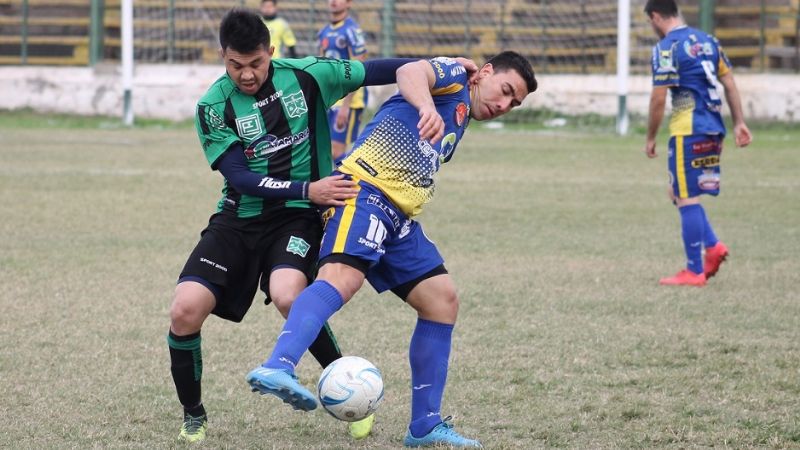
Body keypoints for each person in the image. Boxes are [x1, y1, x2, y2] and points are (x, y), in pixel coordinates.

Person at [168, 8, 442, 443]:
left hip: (297, 217)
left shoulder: (309, 75)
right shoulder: (212, 106)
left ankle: (349, 390)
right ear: (223, 57)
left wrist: (440, 69)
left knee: (287, 295)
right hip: (239, 219)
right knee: (184, 310)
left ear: (271, 52)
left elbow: (386, 69)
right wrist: (307, 188)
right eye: (236, 65)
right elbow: (239, 177)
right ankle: (194, 413)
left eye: (256, 63)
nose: (246, 74)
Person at [245, 51, 537, 448]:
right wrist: (425, 104)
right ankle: (278, 365)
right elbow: (409, 71)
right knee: (342, 281)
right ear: (484, 72)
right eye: (505, 90)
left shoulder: (463, 111)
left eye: (514, 103)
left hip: (398, 216)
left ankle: (425, 426)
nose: (504, 105)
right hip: (363, 192)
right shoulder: (452, 76)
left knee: (442, 301)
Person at [643, 0, 752, 287]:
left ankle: (694, 271)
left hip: (688, 129)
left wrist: (651, 135)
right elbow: (729, 83)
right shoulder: (708, 41)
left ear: (655, 17)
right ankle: (713, 246)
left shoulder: (667, 47)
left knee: (687, 195)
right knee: (676, 190)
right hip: (713, 129)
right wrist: (739, 122)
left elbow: (658, 97)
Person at [318, 0, 368, 162]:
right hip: (331, 98)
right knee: (325, 150)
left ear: (349, 3)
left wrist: (346, 106)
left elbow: (358, 69)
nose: (333, 1)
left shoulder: (352, 31)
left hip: (349, 100)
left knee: (336, 151)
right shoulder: (324, 31)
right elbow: (321, 66)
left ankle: (357, 182)